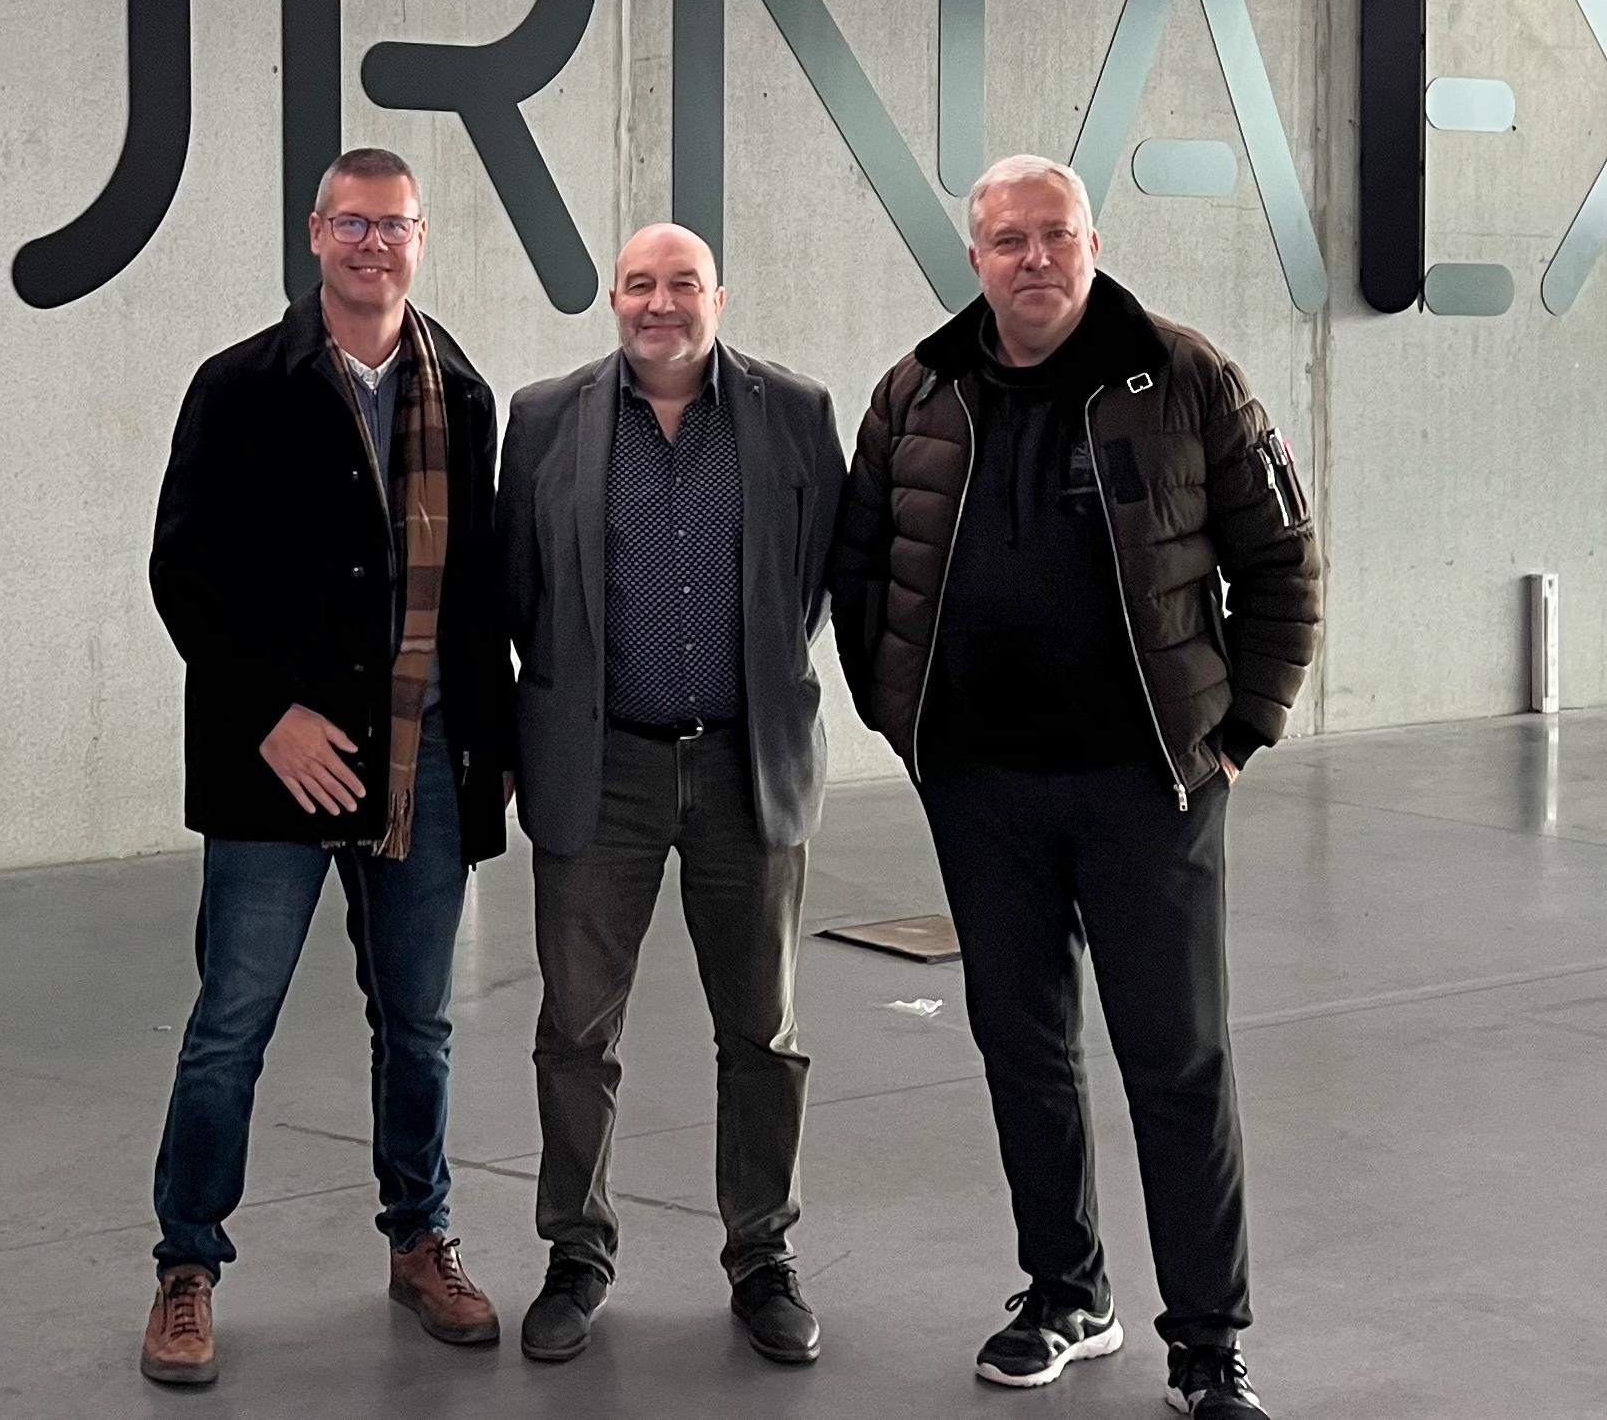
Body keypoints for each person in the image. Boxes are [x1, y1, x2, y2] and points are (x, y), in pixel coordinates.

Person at [825, 153, 1321, 1420]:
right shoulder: (916, 389)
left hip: (1145, 783)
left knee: (1175, 1056)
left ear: (1090, 243)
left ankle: (1206, 1344)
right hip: (982, 788)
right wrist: (905, 723)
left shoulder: (1181, 375)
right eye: (1006, 240)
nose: (1031, 258)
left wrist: (1242, 727)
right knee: (1022, 1046)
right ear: (975, 256)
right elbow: (860, 561)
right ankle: (1066, 1293)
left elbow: (1281, 557)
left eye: (1053, 235)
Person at [136, 147, 515, 1387]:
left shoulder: (460, 391)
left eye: (391, 225)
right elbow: (184, 572)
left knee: (419, 1023)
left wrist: (490, 758)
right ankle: (186, 1264)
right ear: (314, 235)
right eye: (350, 223)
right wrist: (267, 715)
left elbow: (474, 595)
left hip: (424, 758)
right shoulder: (240, 384)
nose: (371, 244)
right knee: (229, 1024)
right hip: (279, 767)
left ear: (422, 238)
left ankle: (420, 1238)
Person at [495, 224, 845, 1368]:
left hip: (747, 764)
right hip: (604, 767)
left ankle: (762, 1257)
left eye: (681, 283)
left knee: (761, 1029)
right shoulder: (545, 417)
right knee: (574, 1030)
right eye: (639, 284)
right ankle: (575, 1254)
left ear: (717, 296)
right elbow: (516, 589)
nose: (660, 303)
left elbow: (819, 576)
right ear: (612, 298)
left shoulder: (793, 411)